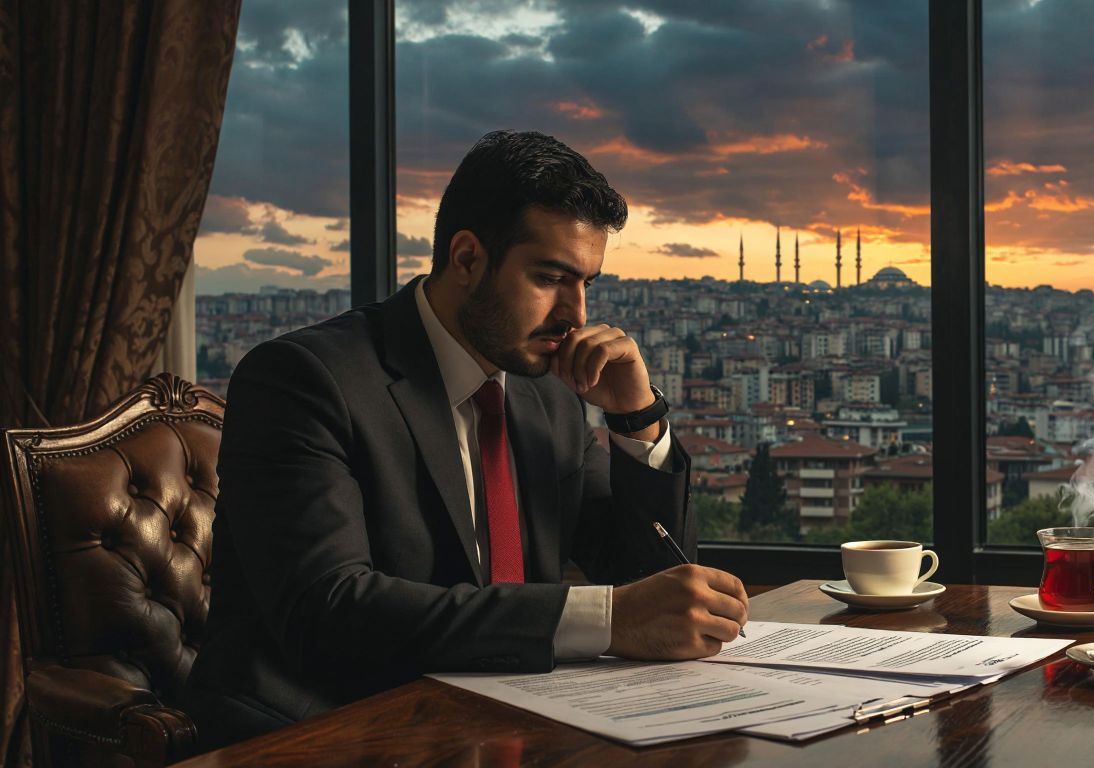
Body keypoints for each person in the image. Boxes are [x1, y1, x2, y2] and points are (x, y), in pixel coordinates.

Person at [186, 130, 749, 748]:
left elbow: (657, 580)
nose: (577, 314)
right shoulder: (304, 381)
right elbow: (328, 613)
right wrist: (607, 618)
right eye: (551, 277)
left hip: (505, 727)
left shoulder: (547, 392)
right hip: (323, 732)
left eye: (587, 282)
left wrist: (637, 419)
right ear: (467, 258)